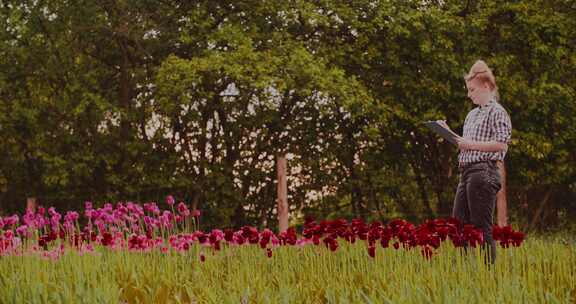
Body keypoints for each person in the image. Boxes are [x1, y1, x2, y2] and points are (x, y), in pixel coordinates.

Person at [439, 60, 512, 264]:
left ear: (486, 87)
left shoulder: (497, 111)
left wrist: (469, 144)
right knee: (458, 225)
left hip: (484, 172)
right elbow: (466, 144)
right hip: (467, 173)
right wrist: (449, 133)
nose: (469, 94)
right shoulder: (471, 115)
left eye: (472, 89)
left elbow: (501, 145)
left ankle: (488, 274)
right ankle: (467, 272)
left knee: (481, 225)